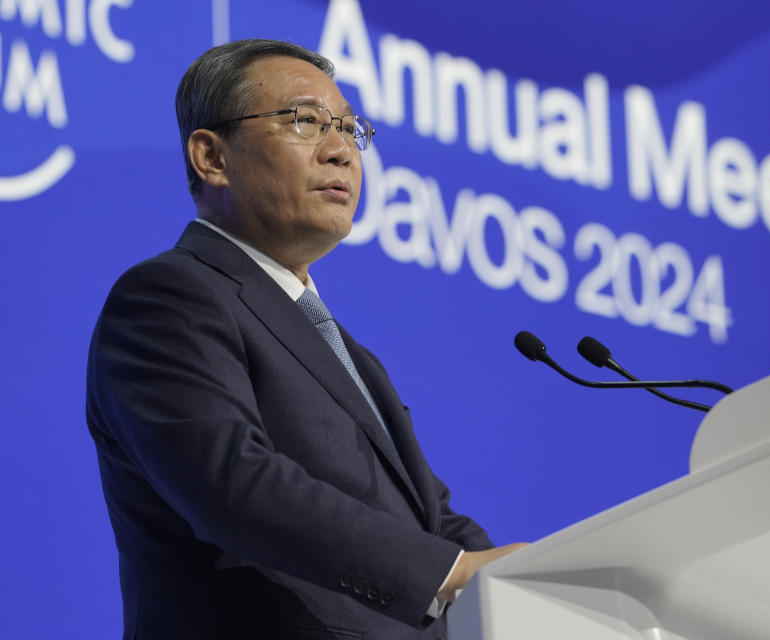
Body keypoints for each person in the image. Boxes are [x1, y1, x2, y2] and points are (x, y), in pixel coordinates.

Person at [86, 39, 525, 640]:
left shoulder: (348, 352)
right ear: (211, 157)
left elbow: (432, 519)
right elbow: (233, 484)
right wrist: (449, 574)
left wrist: (537, 582)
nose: (342, 150)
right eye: (306, 121)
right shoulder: (168, 297)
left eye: (350, 129)